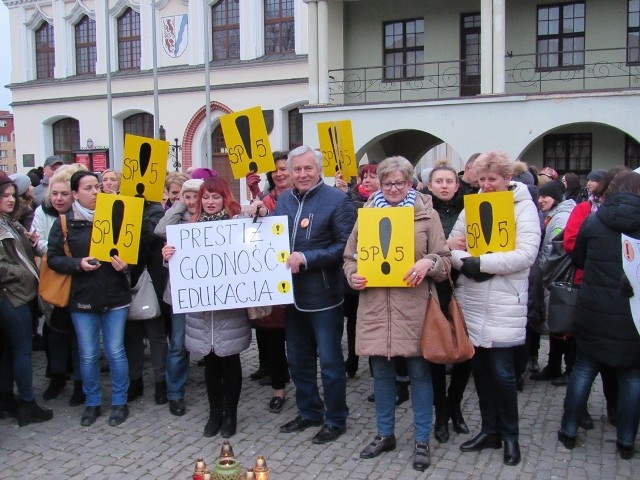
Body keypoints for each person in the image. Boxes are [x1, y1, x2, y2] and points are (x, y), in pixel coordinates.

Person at [344, 156, 450, 471]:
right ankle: (385, 434)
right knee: (381, 376)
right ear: (379, 183)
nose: (392, 188)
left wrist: (428, 263)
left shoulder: (426, 216)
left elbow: (444, 261)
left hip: (413, 309)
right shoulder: (366, 217)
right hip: (376, 308)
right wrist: (353, 276)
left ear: (409, 183)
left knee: (418, 375)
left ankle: (421, 439)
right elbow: (349, 257)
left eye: (399, 182)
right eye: (387, 182)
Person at [449, 151, 541, 467]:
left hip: (504, 301)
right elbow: (452, 244)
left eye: (493, 179)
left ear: (506, 180)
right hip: (472, 299)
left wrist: (484, 263)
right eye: (482, 179)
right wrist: (467, 263)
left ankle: (510, 436)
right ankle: (490, 430)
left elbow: (526, 253)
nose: (487, 185)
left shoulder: (523, 207)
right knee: (482, 372)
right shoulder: (472, 204)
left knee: (503, 374)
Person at [276, 146, 356, 445]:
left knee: (332, 363)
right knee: (297, 360)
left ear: (319, 169)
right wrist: (257, 218)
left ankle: (336, 418)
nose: (302, 174)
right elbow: (272, 240)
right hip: (291, 295)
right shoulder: (284, 199)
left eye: (308, 168)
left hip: (324, 295)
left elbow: (344, 247)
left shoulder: (338, 200)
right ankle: (309, 411)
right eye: (297, 169)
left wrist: (306, 258)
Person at [558, 171, 640, 460]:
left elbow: (578, 258)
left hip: (592, 309)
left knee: (583, 370)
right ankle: (626, 441)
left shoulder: (595, 221)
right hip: (633, 314)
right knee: (631, 378)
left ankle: (568, 430)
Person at [162, 177, 251, 438]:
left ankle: (230, 414)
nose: (210, 202)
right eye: (206, 197)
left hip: (229, 309)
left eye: (216, 197)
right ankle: (214, 413)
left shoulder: (237, 225)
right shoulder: (188, 227)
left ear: (225, 198)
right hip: (201, 311)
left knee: (230, 361)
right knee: (211, 364)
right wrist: (168, 257)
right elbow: (180, 268)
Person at [47, 171, 131, 427]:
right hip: (83, 298)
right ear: (75, 194)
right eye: (88, 188)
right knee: (88, 354)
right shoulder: (65, 222)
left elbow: (132, 250)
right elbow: (53, 258)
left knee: (116, 352)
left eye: (97, 186)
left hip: (115, 295)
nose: (95, 191)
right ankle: (92, 402)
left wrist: (126, 266)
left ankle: (120, 402)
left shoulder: (118, 213)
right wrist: (77, 263)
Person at [423, 161, 473, 444]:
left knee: (466, 353)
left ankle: (455, 405)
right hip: (437, 289)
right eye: (438, 181)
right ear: (429, 185)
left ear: (457, 185)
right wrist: (447, 247)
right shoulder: (422, 214)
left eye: (449, 181)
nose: (444, 185)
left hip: (467, 288)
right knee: (439, 352)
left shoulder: (468, 211)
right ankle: (441, 413)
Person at [0, 172, 54, 427]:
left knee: (9, 351)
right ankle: (27, 404)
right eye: (5, 196)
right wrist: (26, 274)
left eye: (12, 195)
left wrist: (30, 243)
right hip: (13, 296)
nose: (11, 200)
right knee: (20, 350)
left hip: (16, 294)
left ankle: (7, 401)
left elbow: (20, 252)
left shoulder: (10, 222)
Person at [32, 164, 87, 406]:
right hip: (54, 281)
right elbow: (40, 243)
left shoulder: (80, 216)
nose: (58, 198)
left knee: (78, 336)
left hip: (79, 284)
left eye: (64, 194)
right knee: (54, 332)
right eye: (55, 194)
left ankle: (79, 382)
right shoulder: (42, 213)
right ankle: (56, 377)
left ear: (73, 195)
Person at [248, 151, 292, 412]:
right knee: (274, 337)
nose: (281, 173)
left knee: (299, 341)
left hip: (299, 276)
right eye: (276, 169)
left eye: (285, 168)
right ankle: (278, 388)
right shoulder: (265, 200)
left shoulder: (301, 198)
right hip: (273, 278)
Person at [155, 178, 203, 417]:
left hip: (207, 292)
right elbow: (160, 230)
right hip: (181, 292)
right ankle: (175, 393)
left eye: (196, 196)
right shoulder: (177, 218)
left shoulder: (212, 218)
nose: (192, 201)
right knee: (178, 343)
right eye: (188, 196)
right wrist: (179, 205)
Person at [335, 163, 380, 378]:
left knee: (374, 322)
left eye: (373, 176)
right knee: (352, 320)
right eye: (365, 176)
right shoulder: (349, 200)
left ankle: (376, 365)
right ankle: (352, 360)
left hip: (378, 270)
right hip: (356, 268)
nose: (368, 180)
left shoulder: (388, 204)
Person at [531, 180, 576, 386]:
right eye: (540, 196)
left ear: (556, 198)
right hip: (554, 279)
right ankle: (554, 366)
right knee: (557, 326)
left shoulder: (560, 219)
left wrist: (543, 276)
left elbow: (552, 252)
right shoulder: (554, 216)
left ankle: (569, 370)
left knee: (563, 326)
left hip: (557, 279)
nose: (541, 200)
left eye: (545, 196)